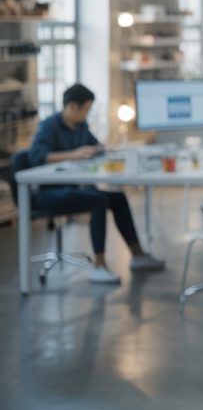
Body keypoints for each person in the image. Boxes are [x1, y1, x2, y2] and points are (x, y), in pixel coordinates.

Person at [28, 83, 165, 284]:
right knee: (98, 200)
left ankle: (138, 255)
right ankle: (99, 265)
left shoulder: (81, 126)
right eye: (86, 110)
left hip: (76, 187)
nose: (87, 115)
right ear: (73, 106)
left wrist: (104, 150)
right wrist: (74, 155)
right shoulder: (49, 126)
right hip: (49, 192)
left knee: (117, 197)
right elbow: (36, 157)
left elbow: (94, 146)